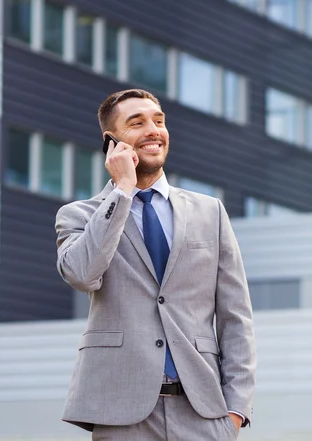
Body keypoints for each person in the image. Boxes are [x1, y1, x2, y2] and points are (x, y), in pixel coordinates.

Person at [55, 88, 256, 440]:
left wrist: (236, 409)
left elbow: (235, 316)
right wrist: (122, 191)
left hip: (203, 413)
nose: (153, 130)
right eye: (137, 123)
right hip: (121, 413)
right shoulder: (81, 216)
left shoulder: (210, 213)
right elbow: (82, 274)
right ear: (111, 142)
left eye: (158, 121)